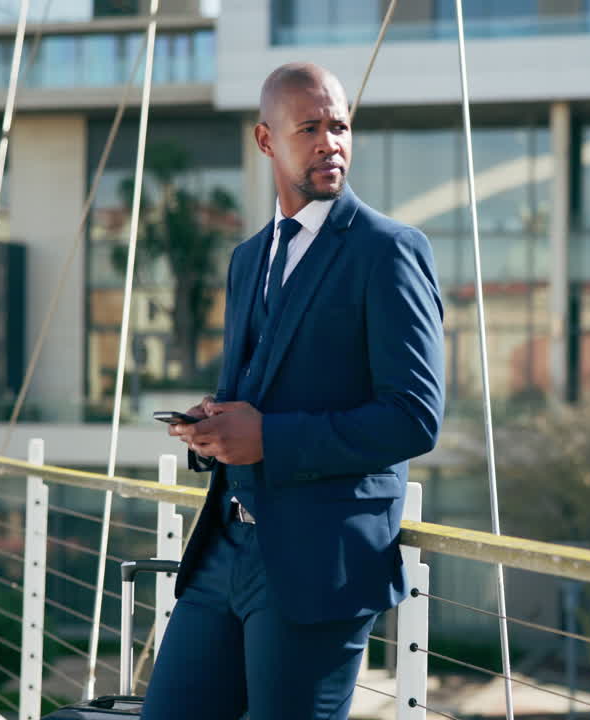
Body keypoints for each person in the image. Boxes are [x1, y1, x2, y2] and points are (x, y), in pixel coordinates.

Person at [143, 62, 446, 720]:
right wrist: (214, 426)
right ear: (266, 141)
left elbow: (414, 417)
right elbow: (254, 394)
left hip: (319, 567)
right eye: (309, 127)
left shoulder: (389, 251)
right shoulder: (247, 259)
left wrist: (267, 438)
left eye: (339, 126)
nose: (329, 142)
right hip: (224, 547)